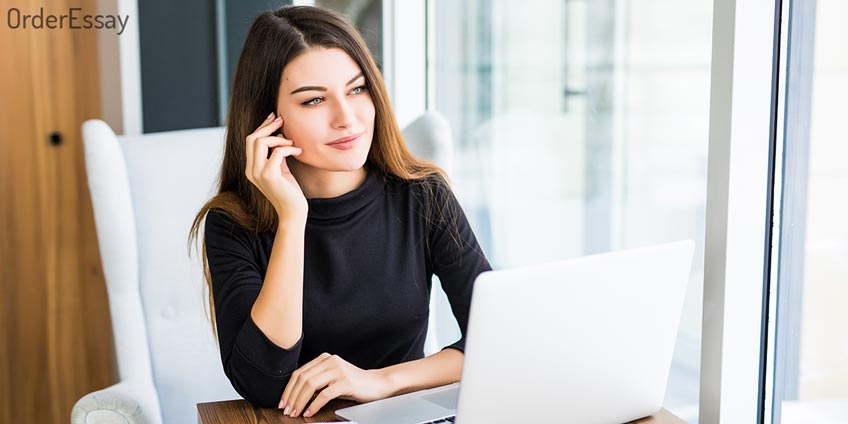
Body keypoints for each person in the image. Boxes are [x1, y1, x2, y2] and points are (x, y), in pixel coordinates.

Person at [188, 5, 491, 419]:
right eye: (314, 100)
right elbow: (262, 380)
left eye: (357, 89)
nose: (347, 119)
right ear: (268, 120)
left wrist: (381, 380)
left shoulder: (424, 197)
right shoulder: (233, 223)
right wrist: (292, 218)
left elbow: (494, 340)